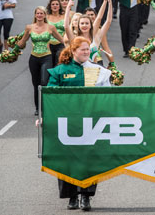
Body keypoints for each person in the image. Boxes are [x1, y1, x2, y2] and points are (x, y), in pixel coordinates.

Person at [46, 36, 111, 211]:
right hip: (67, 122)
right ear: (73, 51)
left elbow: (108, 96)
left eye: (87, 49)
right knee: (67, 159)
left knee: (89, 159)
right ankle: (72, 196)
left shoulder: (97, 70)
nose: (86, 52)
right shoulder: (60, 71)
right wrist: (45, 117)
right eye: (82, 49)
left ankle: (86, 196)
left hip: (91, 122)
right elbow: (49, 96)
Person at [17, 6, 65, 115]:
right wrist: (16, 46)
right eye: (37, 13)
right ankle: (37, 108)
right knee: (36, 83)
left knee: (44, 82)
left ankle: (46, 105)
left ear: (44, 15)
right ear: (35, 15)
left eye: (41, 13)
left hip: (46, 57)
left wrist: (71, 48)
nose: (39, 15)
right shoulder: (29, 27)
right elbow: (22, 42)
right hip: (34, 58)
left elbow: (62, 40)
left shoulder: (51, 27)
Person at [46, 0, 65, 66]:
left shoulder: (64, 17)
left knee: (59, 63)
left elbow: (68, 29)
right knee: (50, 65)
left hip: (61, 43)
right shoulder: (46, 17)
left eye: (57, 4)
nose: (55, 6)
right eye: (53, 4)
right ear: (50, 6)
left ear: (59, 6)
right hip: (49, 44)